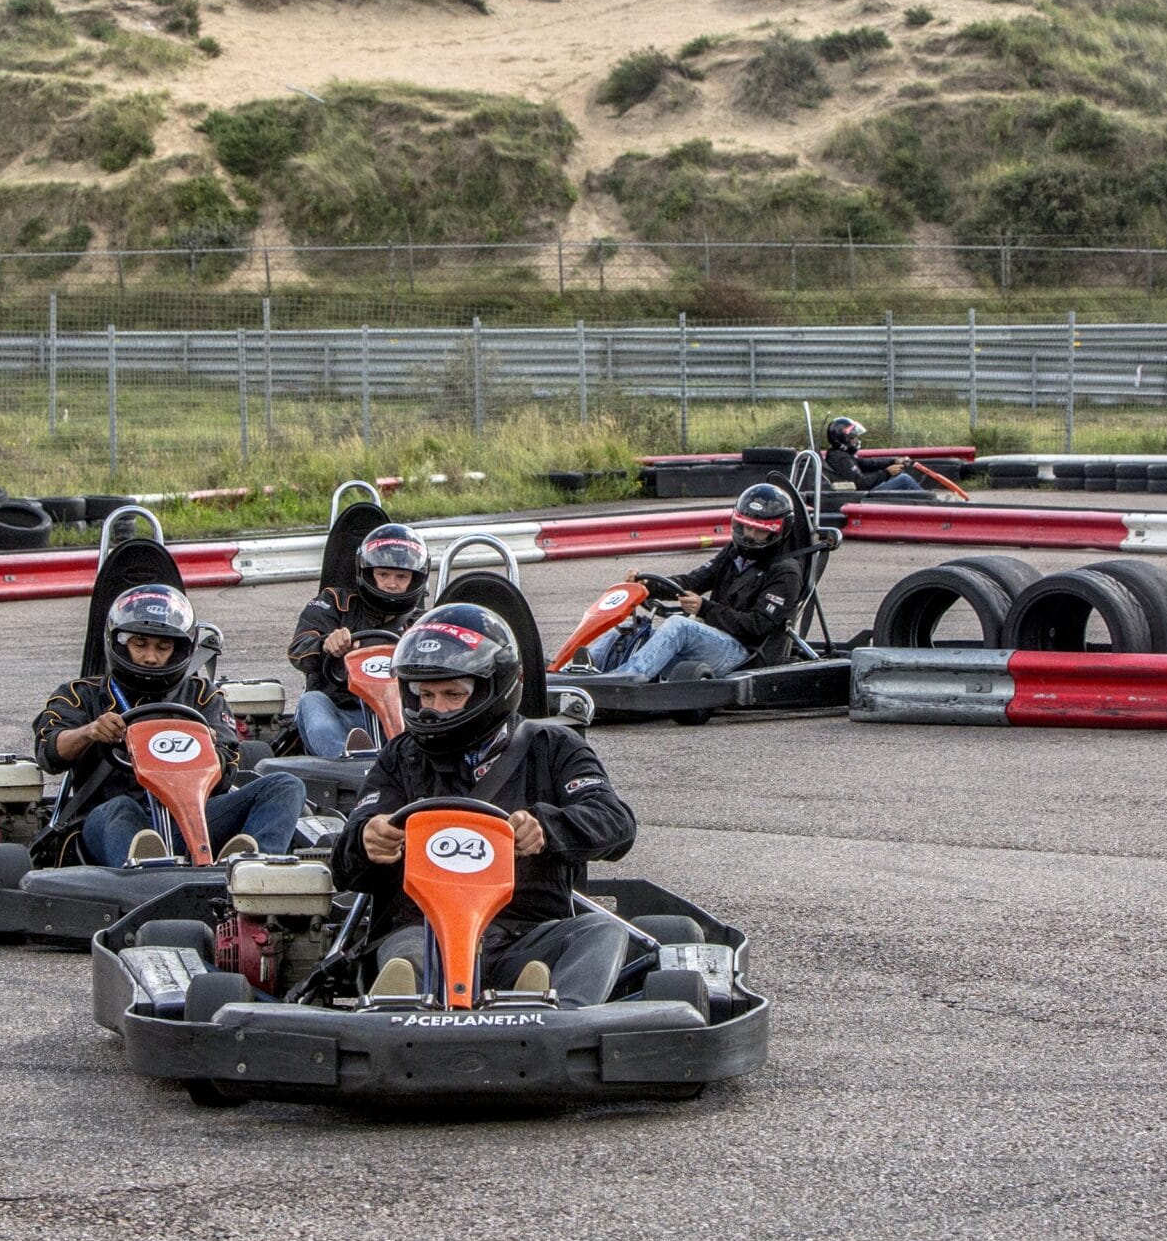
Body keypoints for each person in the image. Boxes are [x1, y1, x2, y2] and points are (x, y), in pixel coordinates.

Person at [330, 602, 637, 1002]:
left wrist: (546, 828)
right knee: (405, 960)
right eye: (426, 694)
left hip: (524, 935)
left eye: (452, 694)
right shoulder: (400, 757)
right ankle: (403, 1016)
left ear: (496, 689)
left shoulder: (553, 747)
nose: (434, 708)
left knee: (604, 931)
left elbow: (615, 822)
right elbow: (345, 861)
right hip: (421, 934)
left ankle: (560, 1021)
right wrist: (368, 840)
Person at [33, 582, 306, 866]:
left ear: (179, 650)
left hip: (191, 820)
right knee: (120, 810)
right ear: (119, 643)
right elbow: (49, 753)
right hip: (108, 821)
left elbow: (227, 773)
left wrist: (208, 748)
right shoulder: (81, 695)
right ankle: (146, 872)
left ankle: (252, 871)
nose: (151, 657)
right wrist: (89, 732)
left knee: (285, 786)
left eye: (163, 647)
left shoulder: (203, 696)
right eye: (140, 645)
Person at [581, 481, 808, 679]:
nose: (749, 535)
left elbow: (757, 626)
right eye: (746, 526)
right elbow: (693, 581)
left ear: (779, 531)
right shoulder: (734, 554)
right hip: (715, 643)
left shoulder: (786, 572)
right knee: (633, 626)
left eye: (758, 531)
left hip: (747, 654)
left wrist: (705, 609)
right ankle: (581, 669)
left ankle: (626, 678)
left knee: (680, 626)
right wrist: (649, 586)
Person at [287, 522, 431, 757]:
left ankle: (413, 759)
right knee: (312, 701)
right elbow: (297, 649)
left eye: (400, 576)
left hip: (405, 714)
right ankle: (348, 759)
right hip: (343, 714)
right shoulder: (335, 602)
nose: (391, 584)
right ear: (368, 574)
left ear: (415, 579)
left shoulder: (421, 624)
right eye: (383, 574)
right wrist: (326, 645)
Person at [820, 416, 914, 490]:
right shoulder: (840, 458)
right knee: (904, 479)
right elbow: (860, 483)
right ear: (844, 439)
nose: (857, 439)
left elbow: (866, 463)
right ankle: (928, 506)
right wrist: (886, 473)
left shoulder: (840, 453)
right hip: (861, 497)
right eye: (853, 437)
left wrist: (894, 461)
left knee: (899, 477)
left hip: (863, 493)